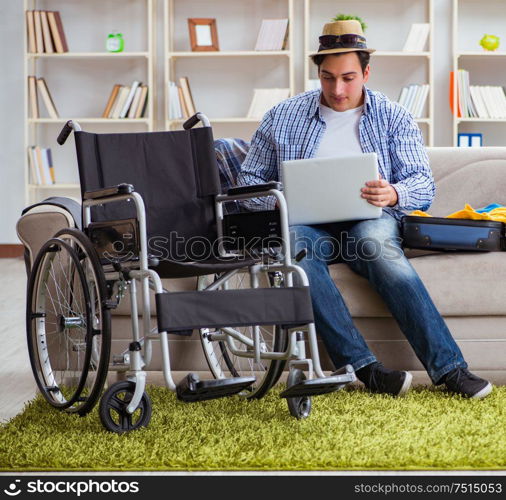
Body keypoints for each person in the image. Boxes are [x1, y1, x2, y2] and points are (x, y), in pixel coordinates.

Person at [236, 19, 492, 399]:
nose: (338, 89)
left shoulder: (394, 116)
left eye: (348, 77)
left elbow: (423, 183)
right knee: (297, 252)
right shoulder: (282, 116)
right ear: (317, 73)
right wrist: (282, 197)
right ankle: (366, 369)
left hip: (370, 222)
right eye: (327, 78)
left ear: (366, 73)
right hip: (306, 225)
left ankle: (451, 370)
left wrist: (393, 193)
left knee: (379, 249)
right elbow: (247, 183)